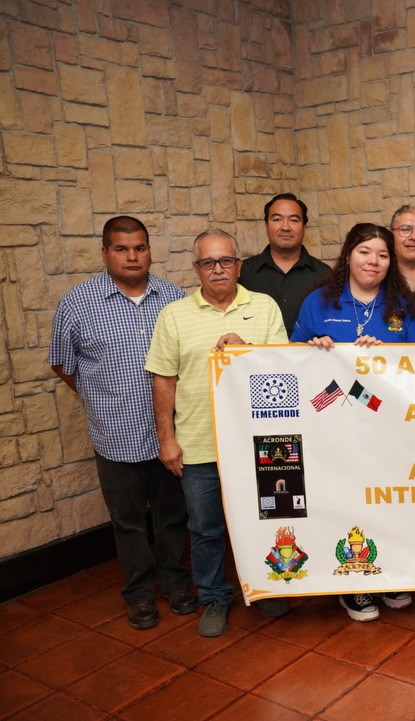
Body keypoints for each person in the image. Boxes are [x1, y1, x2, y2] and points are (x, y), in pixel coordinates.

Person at [49, 216, 195, 631]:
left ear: (149, 251)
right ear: (105, 253)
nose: (132, 256)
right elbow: (62, 364)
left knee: (172, 516)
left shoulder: (174, 298)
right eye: (121, 248)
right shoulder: (78, 303)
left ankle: (175, 583)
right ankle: (139, 593)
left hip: (171, 434)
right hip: (115, 434)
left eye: (140, 248)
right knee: (128, 522)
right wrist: (101, 397)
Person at [146, 229, 288, 637]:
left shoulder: (264, 306)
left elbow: (284, 366)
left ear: (239, 266)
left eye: (226, 260)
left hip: (261, 445)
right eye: (208, 262)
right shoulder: (174, 315)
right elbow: (163, 380)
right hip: (199, 445)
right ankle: (213, 597)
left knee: (264, 521)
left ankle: (269, 588)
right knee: (205, 529)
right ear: (196, 269)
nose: (218, 269)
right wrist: (166, 439)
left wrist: (246, 349)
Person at [291, 223, 415, 621]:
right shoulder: (319, 302)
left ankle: (389, 575)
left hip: (389, 430)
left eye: (383, 255)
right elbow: (291, 358)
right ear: (348, 254)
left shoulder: (405, 305)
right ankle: (354, 584)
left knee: (389, 503)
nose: (374, 261)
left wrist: (390, 356)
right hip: (334, 430)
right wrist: (312, 349)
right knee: (345, 502)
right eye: (365, 252)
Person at [238, 193, 332, 335]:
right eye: (277, 219)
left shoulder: (324, 274)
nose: (285, 227)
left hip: (310, 349)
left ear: (304, 227)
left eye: (294, 220)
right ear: (266, 225)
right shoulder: (243, 272)